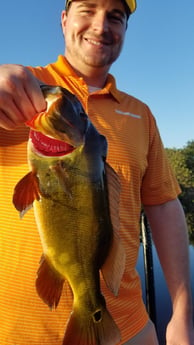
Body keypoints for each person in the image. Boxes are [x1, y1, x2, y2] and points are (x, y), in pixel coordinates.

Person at [0, 0, 193, 344]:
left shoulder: (142, 114)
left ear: (124, 31)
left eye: (115, 17)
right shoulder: (20, 91)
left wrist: (181, 313)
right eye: (87, 10)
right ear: (64, 20)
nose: (101, 26)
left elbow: (163, 206)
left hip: (129, 326)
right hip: (14, 332)